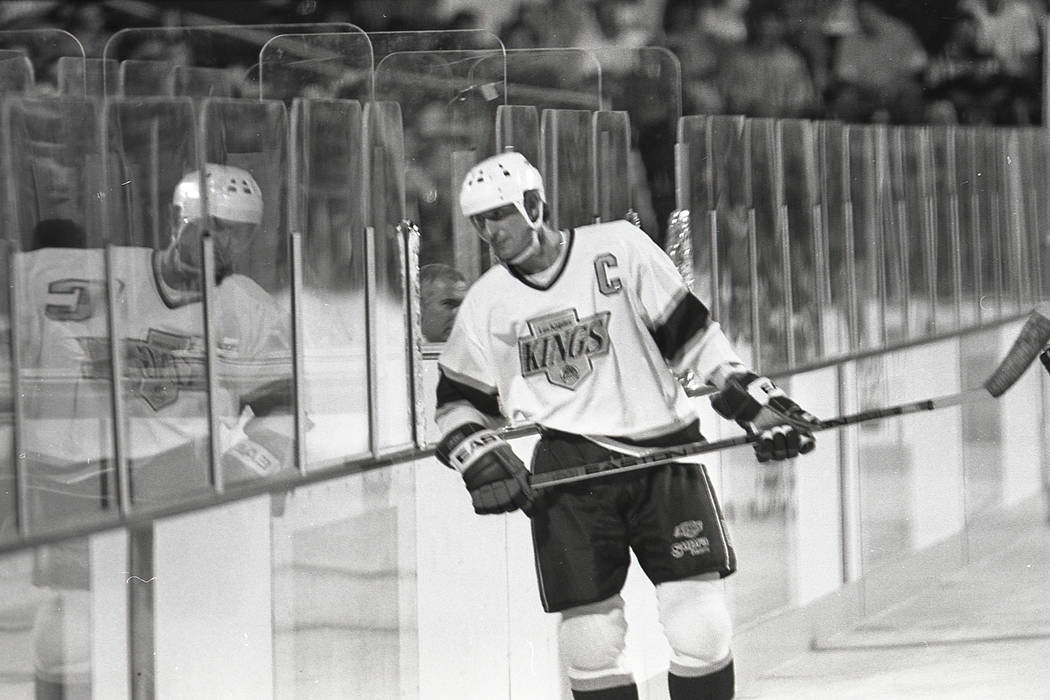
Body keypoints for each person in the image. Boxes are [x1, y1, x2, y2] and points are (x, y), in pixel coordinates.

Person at [434, 150, 819, 700]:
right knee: (590, 636)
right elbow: (454, 403)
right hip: (570, 469)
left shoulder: (617, 245)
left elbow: (692, 335)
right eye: (481, 222)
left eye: (500, 215)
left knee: (700, 624)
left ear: (535, 204)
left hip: (663, 457)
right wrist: (479, 455)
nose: (490, 232)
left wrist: (754, 400)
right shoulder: (486, 302)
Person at [10, 163, 294, 699]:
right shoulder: (85, 274)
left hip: (182, 489)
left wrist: (259, 467)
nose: (226, 243)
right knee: (71, 622)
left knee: (179, 633)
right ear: (176, 219)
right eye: (214, 227)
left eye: (240, 231)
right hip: (82, 482)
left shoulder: (248, 308)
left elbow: (283, 407)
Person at [419, 263, 468, 343]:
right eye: (449, 304)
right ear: (419, 308)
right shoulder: (398, 351)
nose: (459, 314)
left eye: (464, 306)